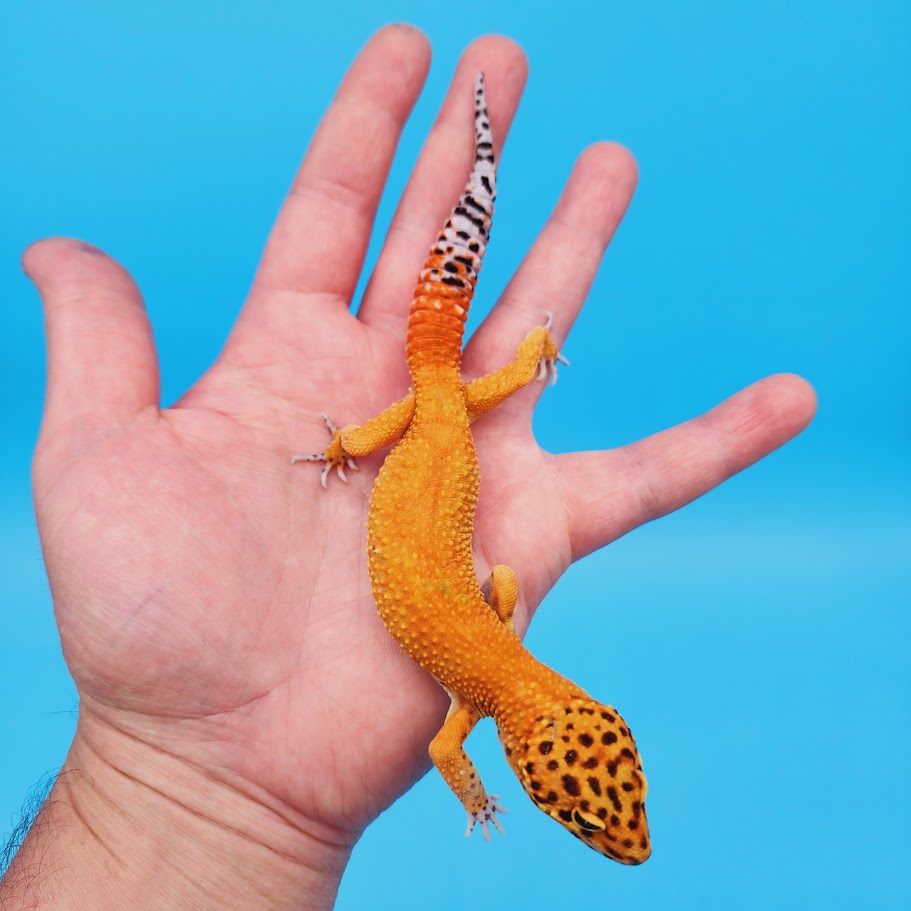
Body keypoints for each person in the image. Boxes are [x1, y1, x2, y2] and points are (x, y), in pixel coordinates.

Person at [0, 24, 815, 909]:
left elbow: (502, 589)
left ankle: (484, 218)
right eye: (590, 817)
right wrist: (471, 787)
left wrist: (382, 446)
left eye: (593, 816)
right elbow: (444, 741)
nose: (612, 829)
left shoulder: (496, 657)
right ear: (586, 726)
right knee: (445, 384)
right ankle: (477, 187)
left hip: (434, 423)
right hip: (429, 422)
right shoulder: (472, 700)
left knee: (447, 385)